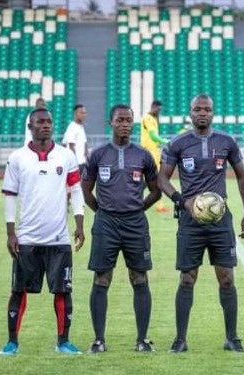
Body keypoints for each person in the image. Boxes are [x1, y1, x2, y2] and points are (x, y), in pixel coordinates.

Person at [158, 93, 244, 353]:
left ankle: (232, 338)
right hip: (190, 221)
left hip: (221, 220)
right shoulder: (177, 144)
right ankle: (180, 339)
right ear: (190, 113)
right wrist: (182, 201)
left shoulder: (227, 141)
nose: (202, 113)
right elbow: (162, 179)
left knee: (227, 279)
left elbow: (243, 178)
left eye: (207, 109)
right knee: (187, 279)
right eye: (198, 109)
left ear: (213, 113)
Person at [0, 108, 85, 356]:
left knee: (63, 290)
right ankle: (12, 342)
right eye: (40, 122)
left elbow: (76, 190)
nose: (46, 125)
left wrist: (79, 223)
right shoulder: (17, 158)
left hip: (59, 238)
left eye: (49, 121)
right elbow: (10, 196)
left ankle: (63, 342)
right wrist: (10, 232)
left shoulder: (66, 156)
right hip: (27, 238)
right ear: (30, 126)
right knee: (18, 290)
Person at [82, 104, 161, 353]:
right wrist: (103, 212)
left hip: (135, 224)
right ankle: (98, 340)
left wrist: (138, 208)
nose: (125, 124)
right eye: (120, 120)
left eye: (129, 120)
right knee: (101, 278)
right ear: (111, 123)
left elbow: (157, 190)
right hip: (106, 223)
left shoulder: (143, 156)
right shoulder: (98, 154)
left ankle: (142, 339)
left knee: (139, 278)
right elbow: (86, 189)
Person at [140, 100, 169, 213]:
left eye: (160, 110)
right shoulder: (147, 118)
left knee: (152, 179)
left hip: (154, 152)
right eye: (158, 109)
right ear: (153, 107)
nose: (159, 112)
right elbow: (153, 136)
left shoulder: (154, 119)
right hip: (148, 153)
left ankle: (138, 198)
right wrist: (166, 141)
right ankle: (159, 206)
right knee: (155, 178)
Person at [62, 104, 89, 176]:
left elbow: (84, 142)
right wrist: (74, 163)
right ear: (75, 114)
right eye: (82, 113)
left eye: (85, 113)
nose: (84, 115)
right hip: (77, 164)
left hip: (82, 162)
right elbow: (71, 146)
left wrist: (87, 156)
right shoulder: (72, 127)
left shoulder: (80, 126)